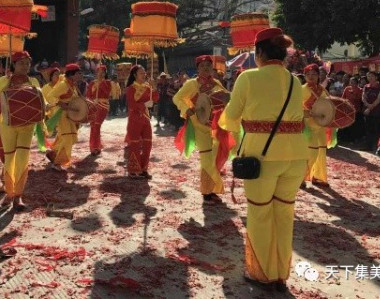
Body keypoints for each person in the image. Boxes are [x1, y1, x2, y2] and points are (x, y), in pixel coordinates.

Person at [219, 27, 307, 292]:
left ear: (259, 53)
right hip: (296, 156)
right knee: (284, 213)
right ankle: (280, 273)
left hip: (262, 157)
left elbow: (230, 117)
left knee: (259, 213)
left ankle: (262, 273)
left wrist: (226, 120)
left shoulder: (248, 78)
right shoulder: (295, 81)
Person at [0, 51, 44, 211]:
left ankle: (18, 195)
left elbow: (40, 100)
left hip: (28, 125)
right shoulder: (4, 80)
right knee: (9, 159)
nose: (25, 66)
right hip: (8, 124)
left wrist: (48, 108)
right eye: (22, 63)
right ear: (14, 65)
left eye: (28, 63)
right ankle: (9, 193)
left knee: (23, 158)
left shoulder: (33, 81)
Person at [173, 55, 231, 204]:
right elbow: (177, 98)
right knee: (206, 158)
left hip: (217, 126)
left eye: (208, 65)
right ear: (197, 68)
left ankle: (214, 189)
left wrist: (227, 98)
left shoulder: (217, 82)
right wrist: (187, 109)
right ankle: (206, 192)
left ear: (212, 67)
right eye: (202, 65)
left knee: (216, 157)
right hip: (200, 125)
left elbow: (226, 99)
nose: (206, 68)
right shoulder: (192, 84)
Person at [45, 63, 83, 171]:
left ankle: (53, 153)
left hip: (70, 115)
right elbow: (50, 96)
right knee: (67, 138)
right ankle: (58, 163)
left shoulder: (73, 85)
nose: (81, 75)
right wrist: (59, 102)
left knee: (73, 138)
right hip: (62, 115)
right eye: (78, 73)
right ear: (71, 75)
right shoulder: (63, 85)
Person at [125, 65, 159, 179]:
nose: (144, 74)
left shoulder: (148, 86)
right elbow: (131, 104)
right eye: (141, 73)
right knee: (135, 144)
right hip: (134, 119)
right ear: (135, 75)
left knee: (148, 144)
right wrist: (143, 104)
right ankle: (133, 170)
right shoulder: (131, 88)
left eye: (144, 72)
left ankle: (144, 169)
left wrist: (154, 88)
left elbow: (156, 99)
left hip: (146, 118)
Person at [301, 64, 331, 188]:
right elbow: (295, 108)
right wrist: (308, 113)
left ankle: (318, 177)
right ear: (305, 76)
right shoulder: (301, 90)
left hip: (321, 126)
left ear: (318, 75)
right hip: (307, 127)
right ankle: (301, 178)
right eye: (308, 75)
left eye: (313, 74)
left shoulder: (323, 90)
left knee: (321, 152)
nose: (311, 77)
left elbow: (329, 106)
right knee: (311, 152)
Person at [85, 64, 111, 156]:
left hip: (103, 106)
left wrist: (101, 83)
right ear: (96, 73)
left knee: (96, 125)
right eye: (98, 72)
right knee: (93, 126)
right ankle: (94, 146)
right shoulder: (92, 83)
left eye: (102, 72)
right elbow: (88, 95)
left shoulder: (107, 82)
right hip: (93, 106)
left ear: (105, 73)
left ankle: (95, 147)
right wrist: (91, 102)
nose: (100, 74)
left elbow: (107, 93)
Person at [362, 71, 380, 152]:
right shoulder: (366, 86)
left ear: (376, 77)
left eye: (372, 76)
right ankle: (368, 146)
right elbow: (363, 97)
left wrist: (370, 107)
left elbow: (379, 99)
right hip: (367, 111)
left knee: (377, 129)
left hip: (376, 111)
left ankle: (379, 147)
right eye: (368, 76)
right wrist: (367, 106)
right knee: (368, 129)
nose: (370, 78)